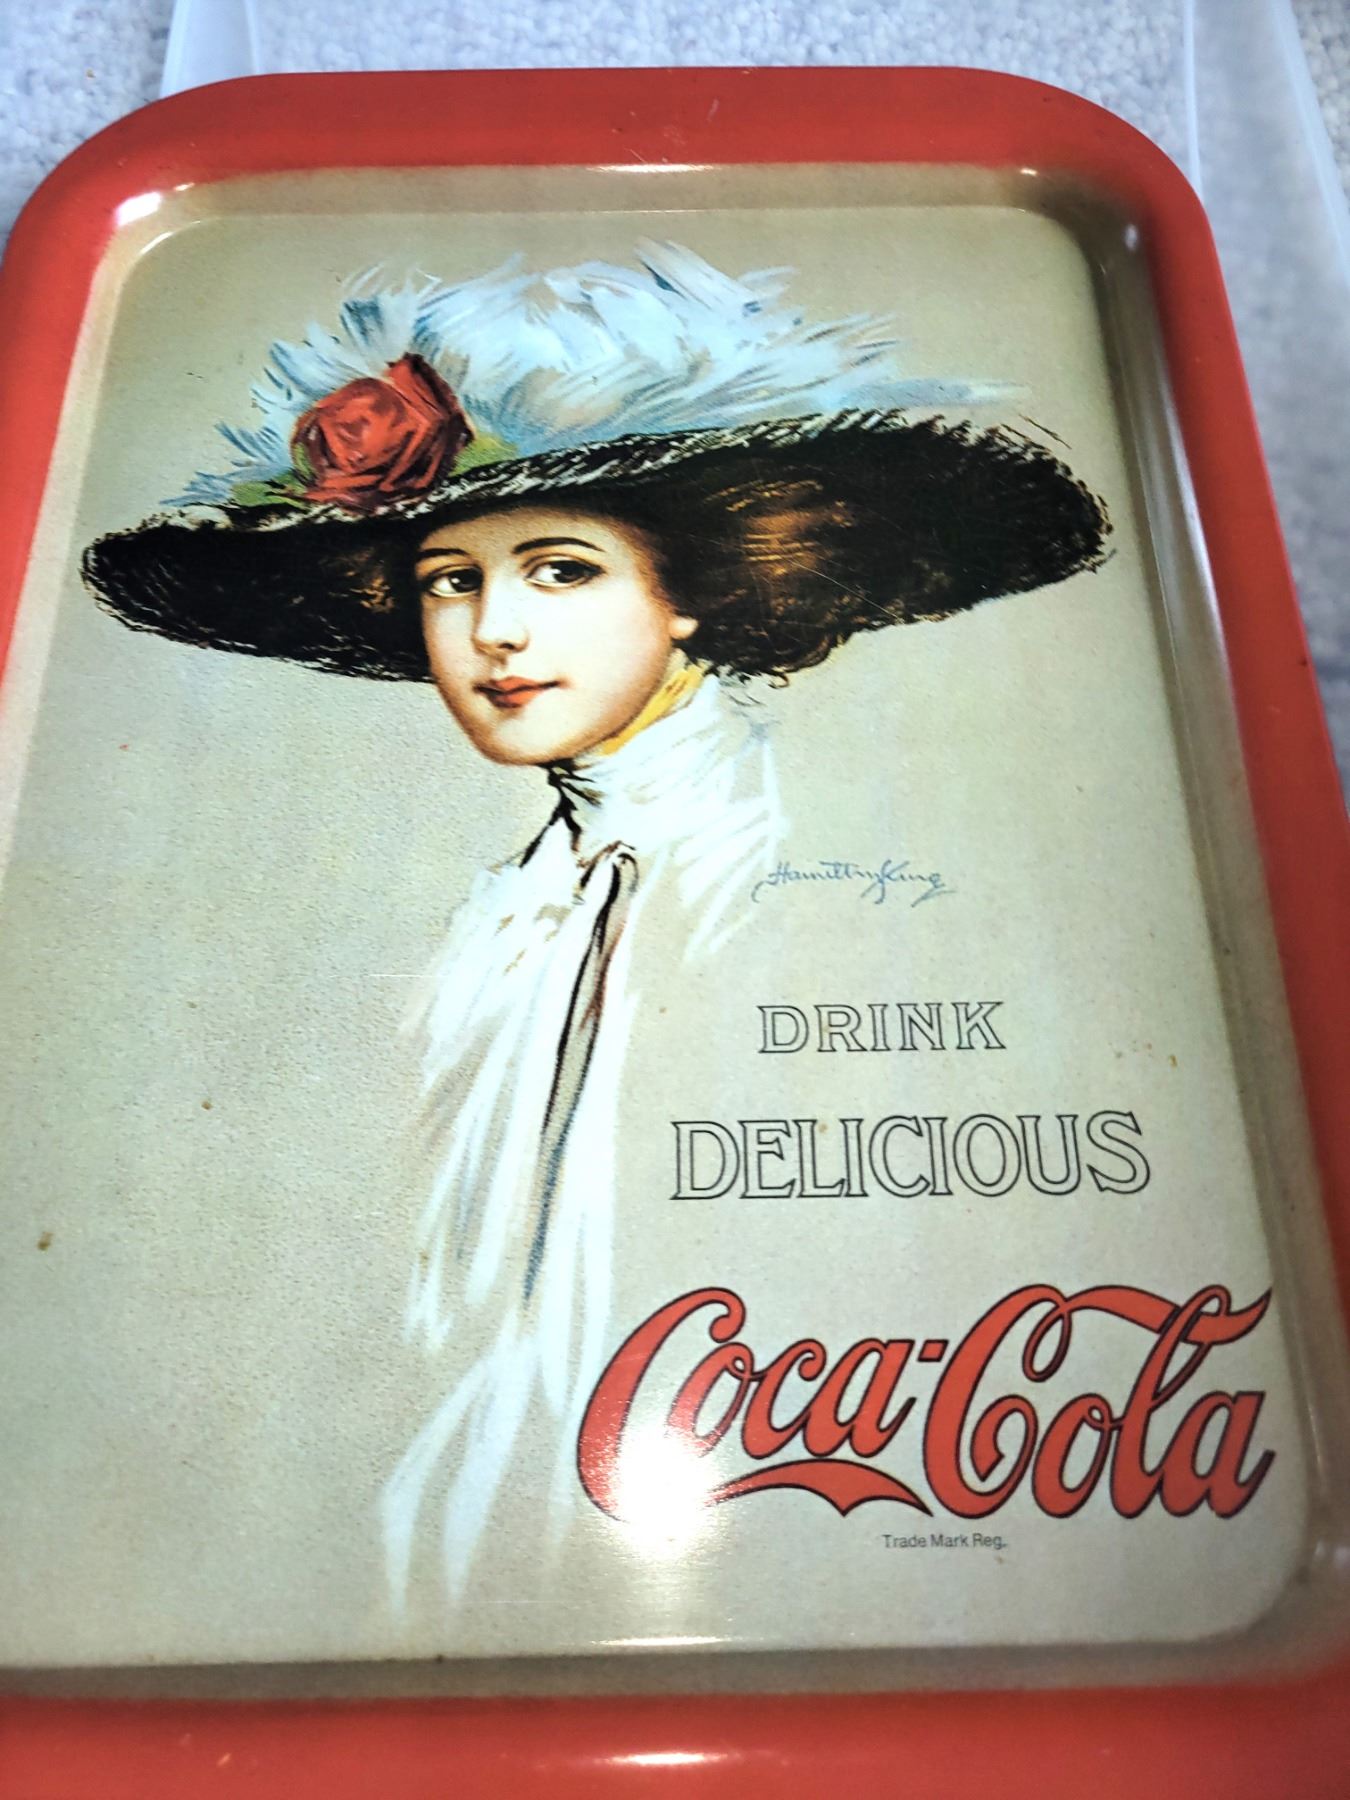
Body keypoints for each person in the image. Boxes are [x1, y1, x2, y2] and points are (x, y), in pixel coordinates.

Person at [82, 242, 1109, 1611]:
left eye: (560, 570)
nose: (494, 632)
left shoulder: (766, 869)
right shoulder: (520, 902)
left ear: (689, 592)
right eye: (450, 580)